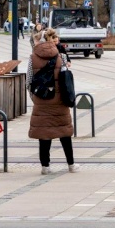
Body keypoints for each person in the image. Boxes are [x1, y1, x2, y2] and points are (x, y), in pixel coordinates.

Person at [28, 28, 77, 174]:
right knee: (64, 132)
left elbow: (29, 82)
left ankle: (45, 167)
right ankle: (71, 165)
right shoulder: (61, 56)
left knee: (44, 135)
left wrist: (36, 98)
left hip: (42, 101)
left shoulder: (32, 58)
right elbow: (65, 80)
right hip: (59, 101)